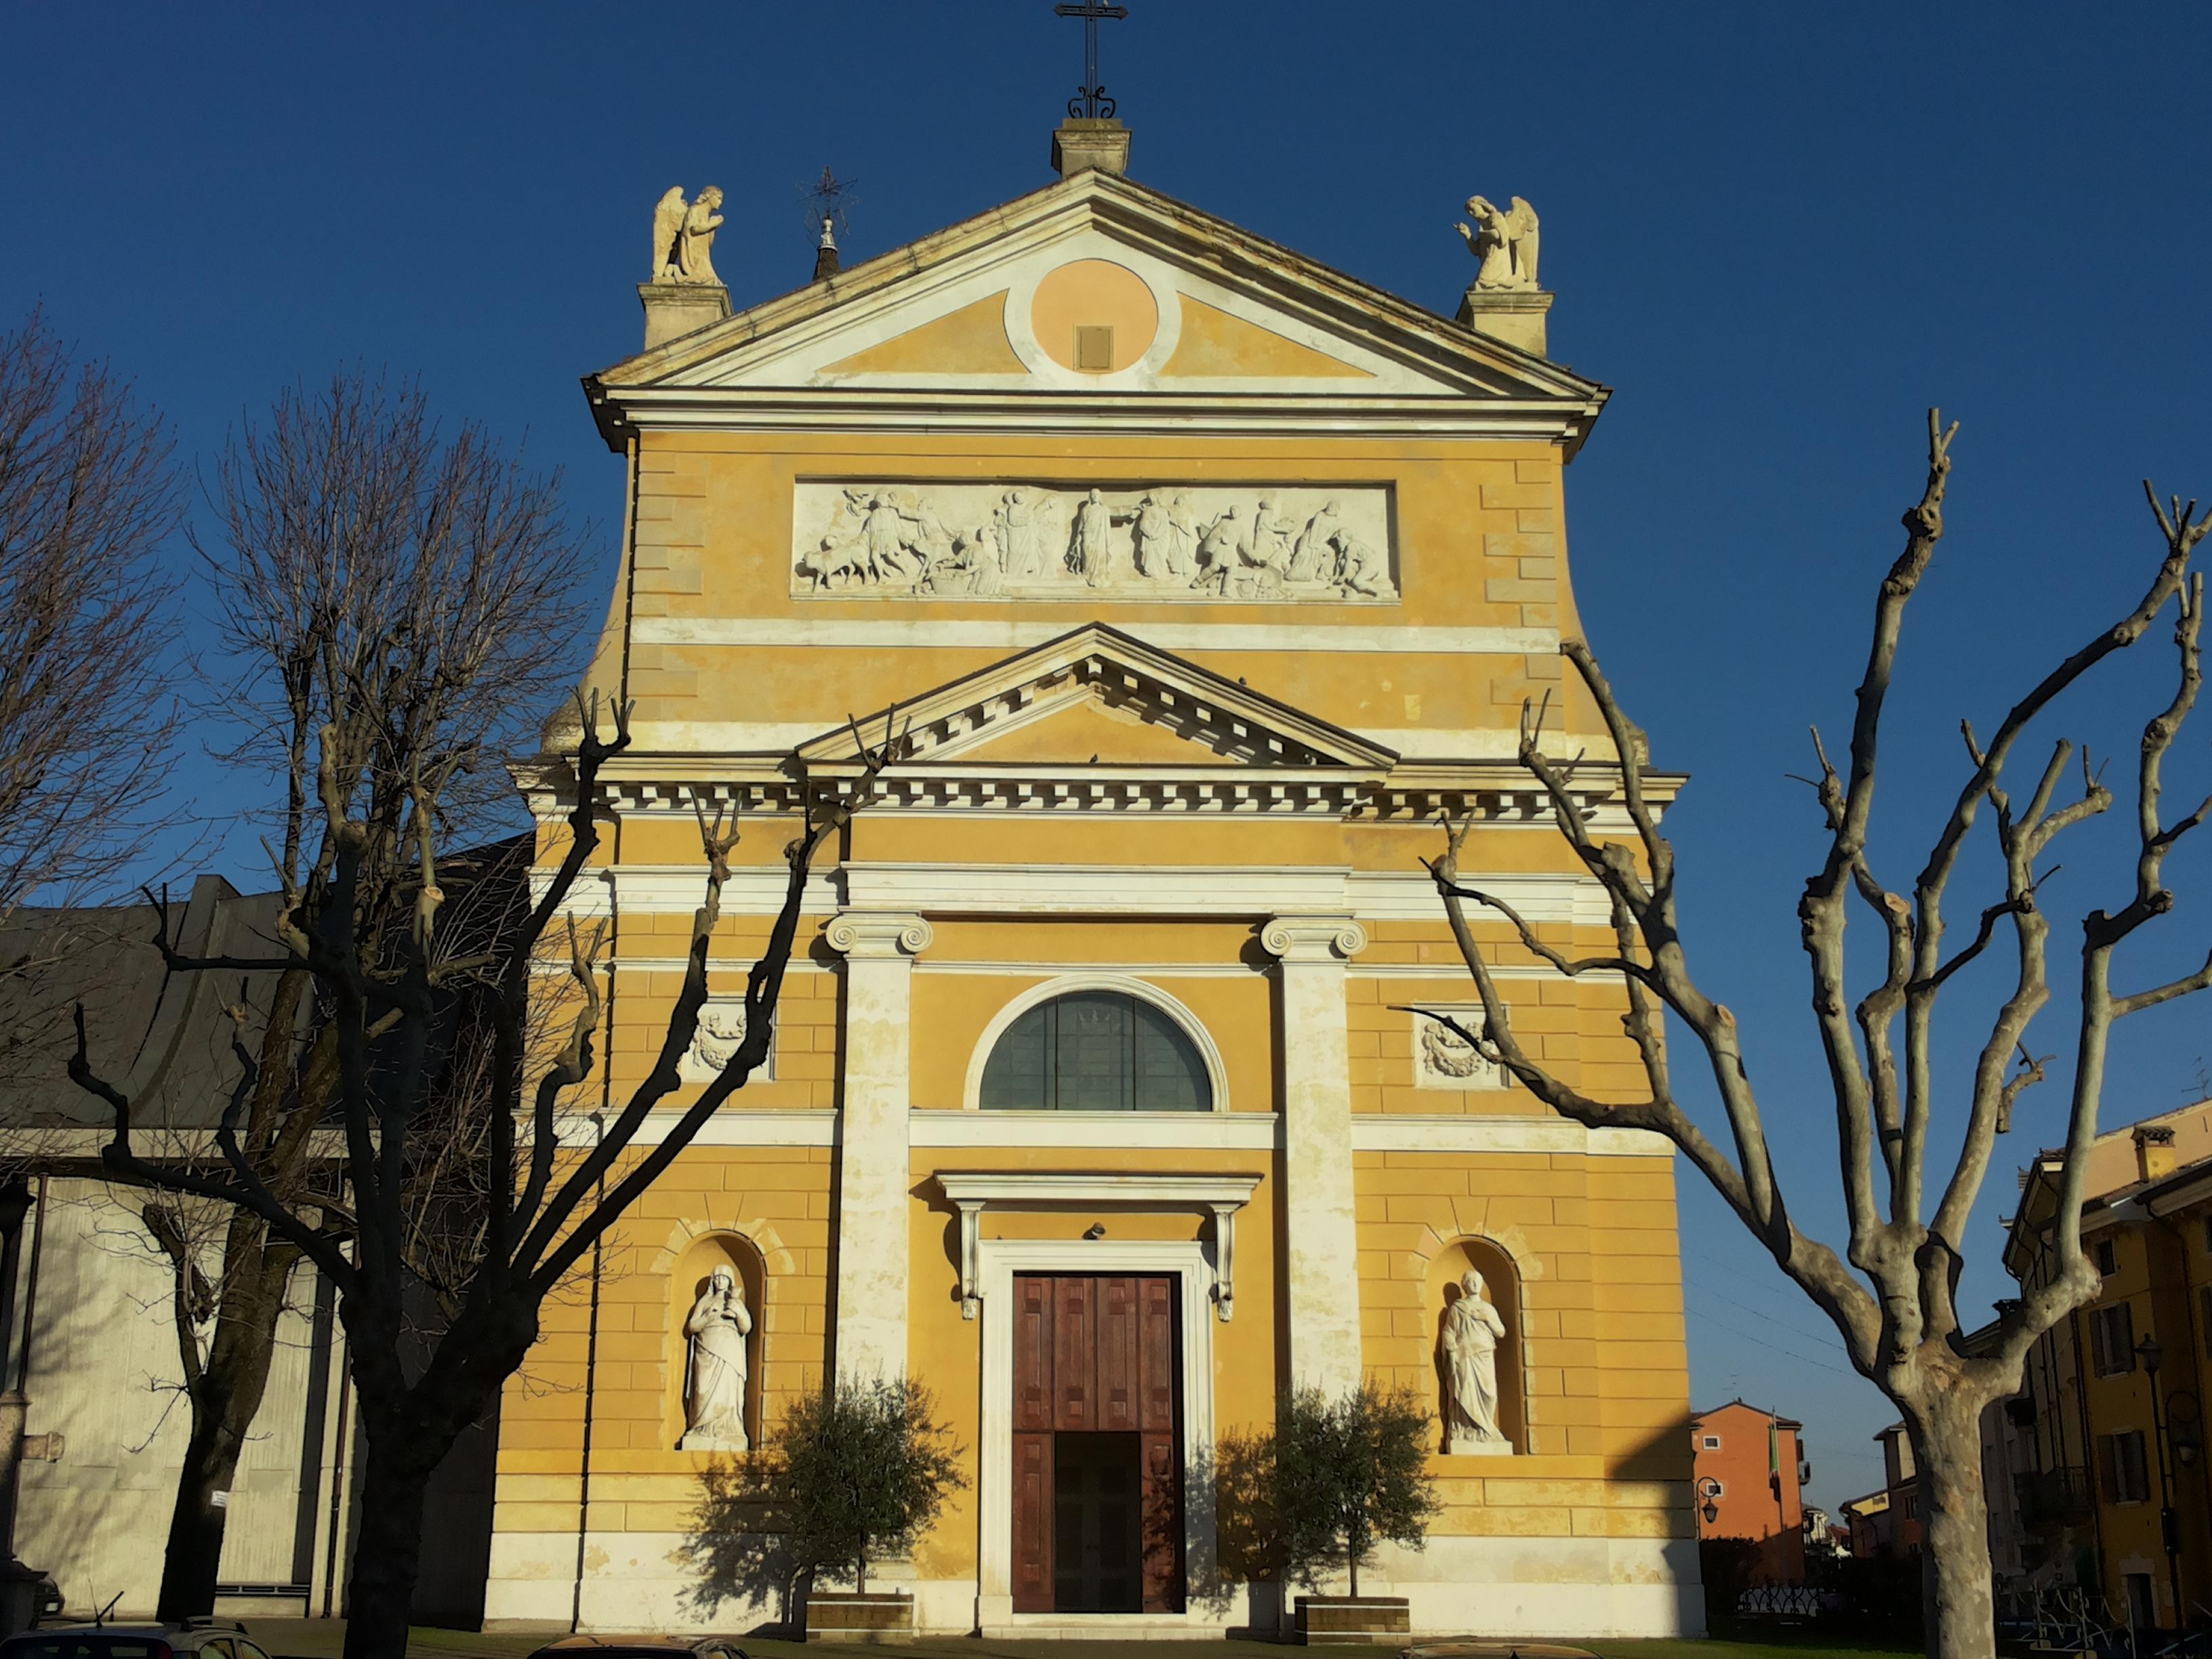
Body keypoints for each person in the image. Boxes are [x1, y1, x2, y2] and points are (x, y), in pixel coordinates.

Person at [679, 1265, 752, 1450]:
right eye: (717, 1277)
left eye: (724, 1278)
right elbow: (692, 1326)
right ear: (713, 1280)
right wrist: (707, 1317)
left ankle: (728, 1428)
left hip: (729, 1349)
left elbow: (746, 1327)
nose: (720, 1281)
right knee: (702, 1388)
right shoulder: (705, 1302)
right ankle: (701, 1428)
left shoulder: (735, 1302)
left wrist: (737, 1313)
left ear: (730, 1281)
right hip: (707, 1347)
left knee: (727, 1390)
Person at [1441, 1268, 1507, 1452]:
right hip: (1464, 1355)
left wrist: (1486, 1319)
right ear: (1465, 1285)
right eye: (1470, 1281)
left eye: (1478, 1281)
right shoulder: (1457, 1308)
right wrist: (1451, 1344)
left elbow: (1501, 1332)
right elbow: (1449, 1331)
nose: (1475, 1284)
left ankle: (1486, 1429)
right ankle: (1466, 1430)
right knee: (1464, 1391)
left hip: (1484, 1353)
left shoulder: (1488, 1309)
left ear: (1482, 1284)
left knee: (1489, 1394)